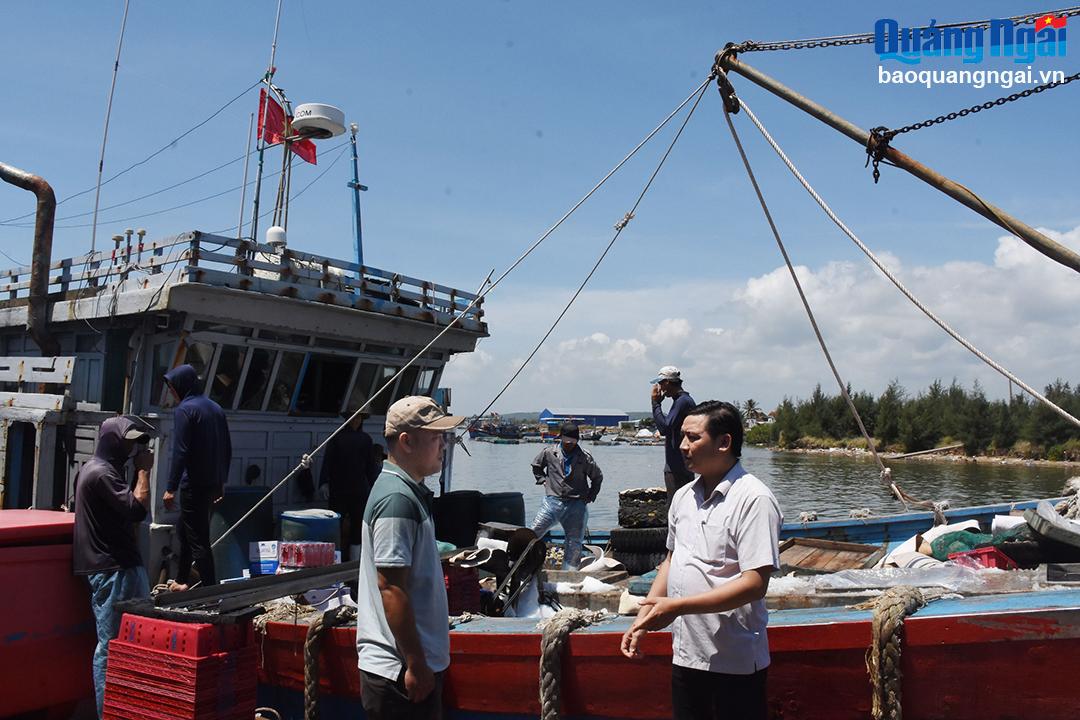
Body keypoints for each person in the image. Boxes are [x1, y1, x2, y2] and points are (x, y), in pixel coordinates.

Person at [621, 401, 783, 720]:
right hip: (685, 655)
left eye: (693, 438)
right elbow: (671, 560)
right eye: (682, 437)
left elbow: (754, 585)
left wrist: (677, 607)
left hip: (734, 663)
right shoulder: (683, 497)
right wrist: (645, 618)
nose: (682, 446)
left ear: (724, 443)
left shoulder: (753, 499)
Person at [356, 396, 465, 719]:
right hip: (398, 673)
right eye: (436, 437)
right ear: (407, 441)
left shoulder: (407, 493)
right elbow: (391, 588)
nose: (444, 445)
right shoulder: (396, 501)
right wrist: (416, 664)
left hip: (404, 667)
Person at [73, 415, 155, 719]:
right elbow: (137, 509)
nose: (133, 449)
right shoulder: (103, 473)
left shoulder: (91, 470)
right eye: (129, 442)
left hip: (109, 568)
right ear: (113, 442)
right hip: (114, 569)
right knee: (113, 648)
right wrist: (144, 471)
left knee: (125, 644)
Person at [161, 364, 232, 589]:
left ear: (183, 385)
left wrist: (170, 487)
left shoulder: (184, 410)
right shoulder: (216, 408)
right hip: (211, 483)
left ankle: (210, 591)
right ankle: (182, 579)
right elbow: (226, 448)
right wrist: (221, 482)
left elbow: (181, 452)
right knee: (185, 530)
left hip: (193, 484)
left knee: (199, 539)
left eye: (173, 387)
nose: (172, 392)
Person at [529, 421, 603, 570]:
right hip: (552, 502)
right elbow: (536, 466)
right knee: (533, 533)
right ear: (561, 438)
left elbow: (597, 477)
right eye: (566, 441)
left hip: (576, 505)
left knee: (574, 542)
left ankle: (569, 575)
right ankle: (524, 564)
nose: (569, 444)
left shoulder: (584, 457)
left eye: (573, 441)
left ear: (577, 440)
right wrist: (543, 480)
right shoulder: (549, 452)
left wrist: (591, 495)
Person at [320, 407, 381, 560]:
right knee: (335, 526)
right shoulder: (336, 438)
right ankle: (335, 561)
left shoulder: (366, 439)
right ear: (347, 419)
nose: (356, 421)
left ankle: (355, 563)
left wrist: (375, 486)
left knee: (358, 526)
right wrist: (324, 482)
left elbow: (370, 466)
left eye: (358, 418)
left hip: (358, 490)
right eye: (353, 418)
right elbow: (327, 462)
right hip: (339, 489)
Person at [650, 365, 697, 498]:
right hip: (680, 464)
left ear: (667, 382)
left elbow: (664, 428)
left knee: (676, 507)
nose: (660, 388)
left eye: (661, 383)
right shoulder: (682, 401)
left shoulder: (682, 402)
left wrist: (655, 404)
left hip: (678, 466)